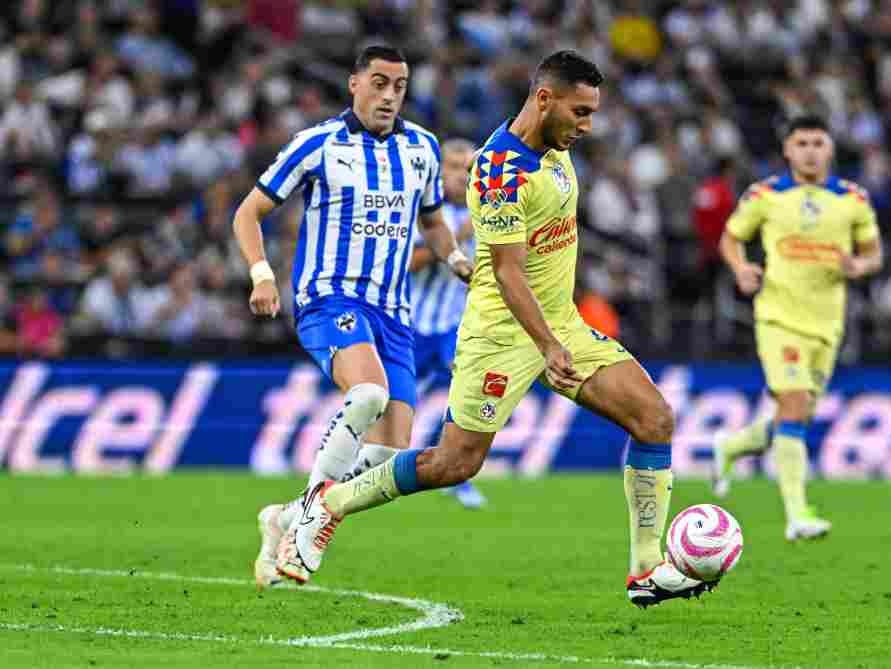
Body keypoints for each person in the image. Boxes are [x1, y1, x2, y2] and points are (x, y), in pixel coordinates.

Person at [274, 50, 714, 609]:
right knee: (455, 463)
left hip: (561, 325)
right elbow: (507, 273)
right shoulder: (499, 170)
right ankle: (329, 504)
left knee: (655, 419)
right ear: (544, 99)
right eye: (580, 113)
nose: (587, 126)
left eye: (592, 113)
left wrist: (559, 335)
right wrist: (547, 345)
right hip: (502, 334)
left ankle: (646, 568)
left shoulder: (556, 148)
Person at [232, 45, 472, 588]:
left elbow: (433, 220)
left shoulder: (422, 149)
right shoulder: (317, 144)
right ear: (354, 84)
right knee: (367, 396)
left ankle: (285, 517)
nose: (390, 95)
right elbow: (249, 212)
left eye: (400, 86)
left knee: (390, 452)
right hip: (330, 298)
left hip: (394, 312)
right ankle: (311, 526)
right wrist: (262, 274)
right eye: (380, 83)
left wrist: (454, 258)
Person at [712, 115, 883, 541]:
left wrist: (858, 265)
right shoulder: (766, 195)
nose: (810, 150)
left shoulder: (853, 199)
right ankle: (797, 514)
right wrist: (740, 269)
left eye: (817, 142)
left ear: (831, 149)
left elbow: (874, 254)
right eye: (801, 143)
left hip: (827, 323)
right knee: (793, 404)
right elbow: (730, 238)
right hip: (778, 316)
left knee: (797, 413)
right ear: (787, 150)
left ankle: (731, 446)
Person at [408, 137, 486, 510]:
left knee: (471, 394)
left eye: (467, 168)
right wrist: (453, 243)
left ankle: (456, 473)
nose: (460, 176)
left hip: (456, 327)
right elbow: (408, 264)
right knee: (395, 401)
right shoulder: (424, 213)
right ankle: (365, 466)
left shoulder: (488, 215)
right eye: (452, 167)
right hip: (413, 325)